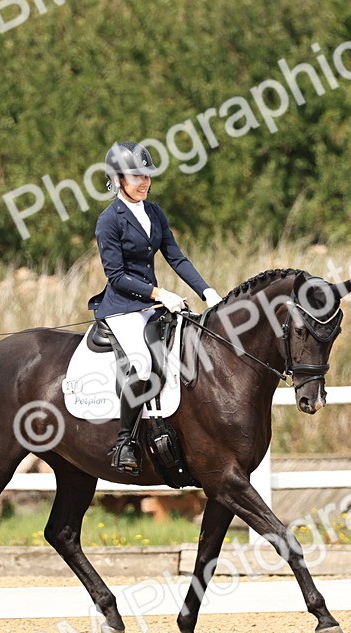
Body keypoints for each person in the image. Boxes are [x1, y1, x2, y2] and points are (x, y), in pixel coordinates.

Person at [87, 141, 222, 475]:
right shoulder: (109, 221)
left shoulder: (154, 212)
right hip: (122, 308)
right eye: (135, 176)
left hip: (151, 305)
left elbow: (175, 257)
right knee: (142, 364)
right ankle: (124, 442)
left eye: (147, 174)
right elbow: (116, 276)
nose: (144, 181)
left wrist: (208, 292)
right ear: (117, 179)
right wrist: (159, 293)